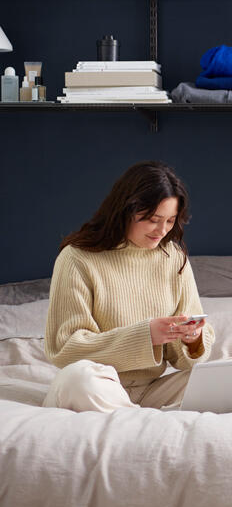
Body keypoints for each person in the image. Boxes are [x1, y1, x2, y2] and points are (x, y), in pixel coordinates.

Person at [43, 160, 214, 412]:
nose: (162, 231)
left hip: (155, 390)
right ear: (125, 210)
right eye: (153, 219)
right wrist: (146, 336)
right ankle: (147, 420)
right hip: (99, 386)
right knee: (78, 381)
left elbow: (184, 362)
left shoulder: (174, 257)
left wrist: (192, 339)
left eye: (170, 221)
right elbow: (65, 348)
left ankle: (134, 419)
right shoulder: (76, 258)